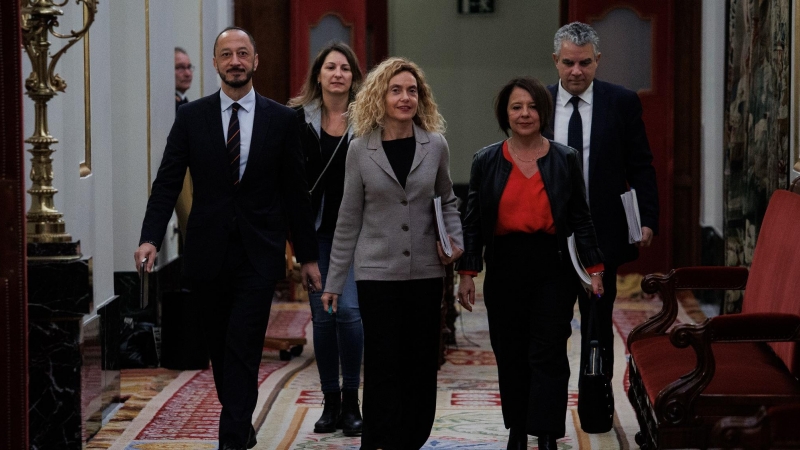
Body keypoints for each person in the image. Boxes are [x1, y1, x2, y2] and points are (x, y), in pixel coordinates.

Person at [135, 27, 321, 450]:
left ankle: (233, 436)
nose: (235, 61)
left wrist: (308, 256)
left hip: (259, 253)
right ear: (216, 63)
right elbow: (167, 183)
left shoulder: (282, 119)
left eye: (242, 54)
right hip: (207, 251)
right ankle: (240, 416)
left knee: (244, 342)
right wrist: (150, 238)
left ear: (255, 61)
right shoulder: (191, 118)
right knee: (220, 346)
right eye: (226, 54)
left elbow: (296, 193)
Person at [320, 57, 463, 450]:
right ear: (379, 97)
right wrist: (334, 281)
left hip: (426, 272)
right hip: (376, 273)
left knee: (420, 362)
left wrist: (455, 241)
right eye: (396, 90)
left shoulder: (435, 145)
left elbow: (448, 200)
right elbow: (347, 218)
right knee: (383, 362)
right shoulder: (359, 150)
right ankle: (377, 438)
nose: (405, 98)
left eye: (412, 91)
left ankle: (411, 438)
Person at [457, 77, 605, 450]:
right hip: (505, 265)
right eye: (516, 107)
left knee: (550, 350)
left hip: (553, 265)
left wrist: (595, 268)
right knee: (511, 351)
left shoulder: (565, 158)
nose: (525, 114)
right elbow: (473, 222)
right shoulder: (485, 160)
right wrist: (468, 273)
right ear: (505, 114)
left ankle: (546, 433)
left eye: (533, 106)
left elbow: (580, 218)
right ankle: (518, 430)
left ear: (544, 111)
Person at [544, 21, 659, 382]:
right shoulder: (538, 103)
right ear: (555, 61)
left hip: (602, 232)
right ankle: (547, 416)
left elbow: (641, 165)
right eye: (568, 63)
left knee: (597, 325)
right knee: (549, 328)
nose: (576, 71)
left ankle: (596, 406)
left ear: (598, 61)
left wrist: (647, 219)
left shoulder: (621, 102)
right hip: (549, 237)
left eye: (585, 63)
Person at [287, 41, 365, 437]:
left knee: (349, 313)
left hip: (357, 234)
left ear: (354, 77)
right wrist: (298, 248)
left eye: (345, 68)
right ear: (318, 74)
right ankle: (330, 401)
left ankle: (352, 401)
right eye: (330, 67)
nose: (338, 73)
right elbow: (289, 184)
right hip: (315, 233)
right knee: (323, 316)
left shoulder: (370, 119)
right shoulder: (297, 119)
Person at [175, 47, 193, 111]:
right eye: (180, 68)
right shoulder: (169, 104)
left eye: (189, 67)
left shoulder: (184, 101)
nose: (188, 74)